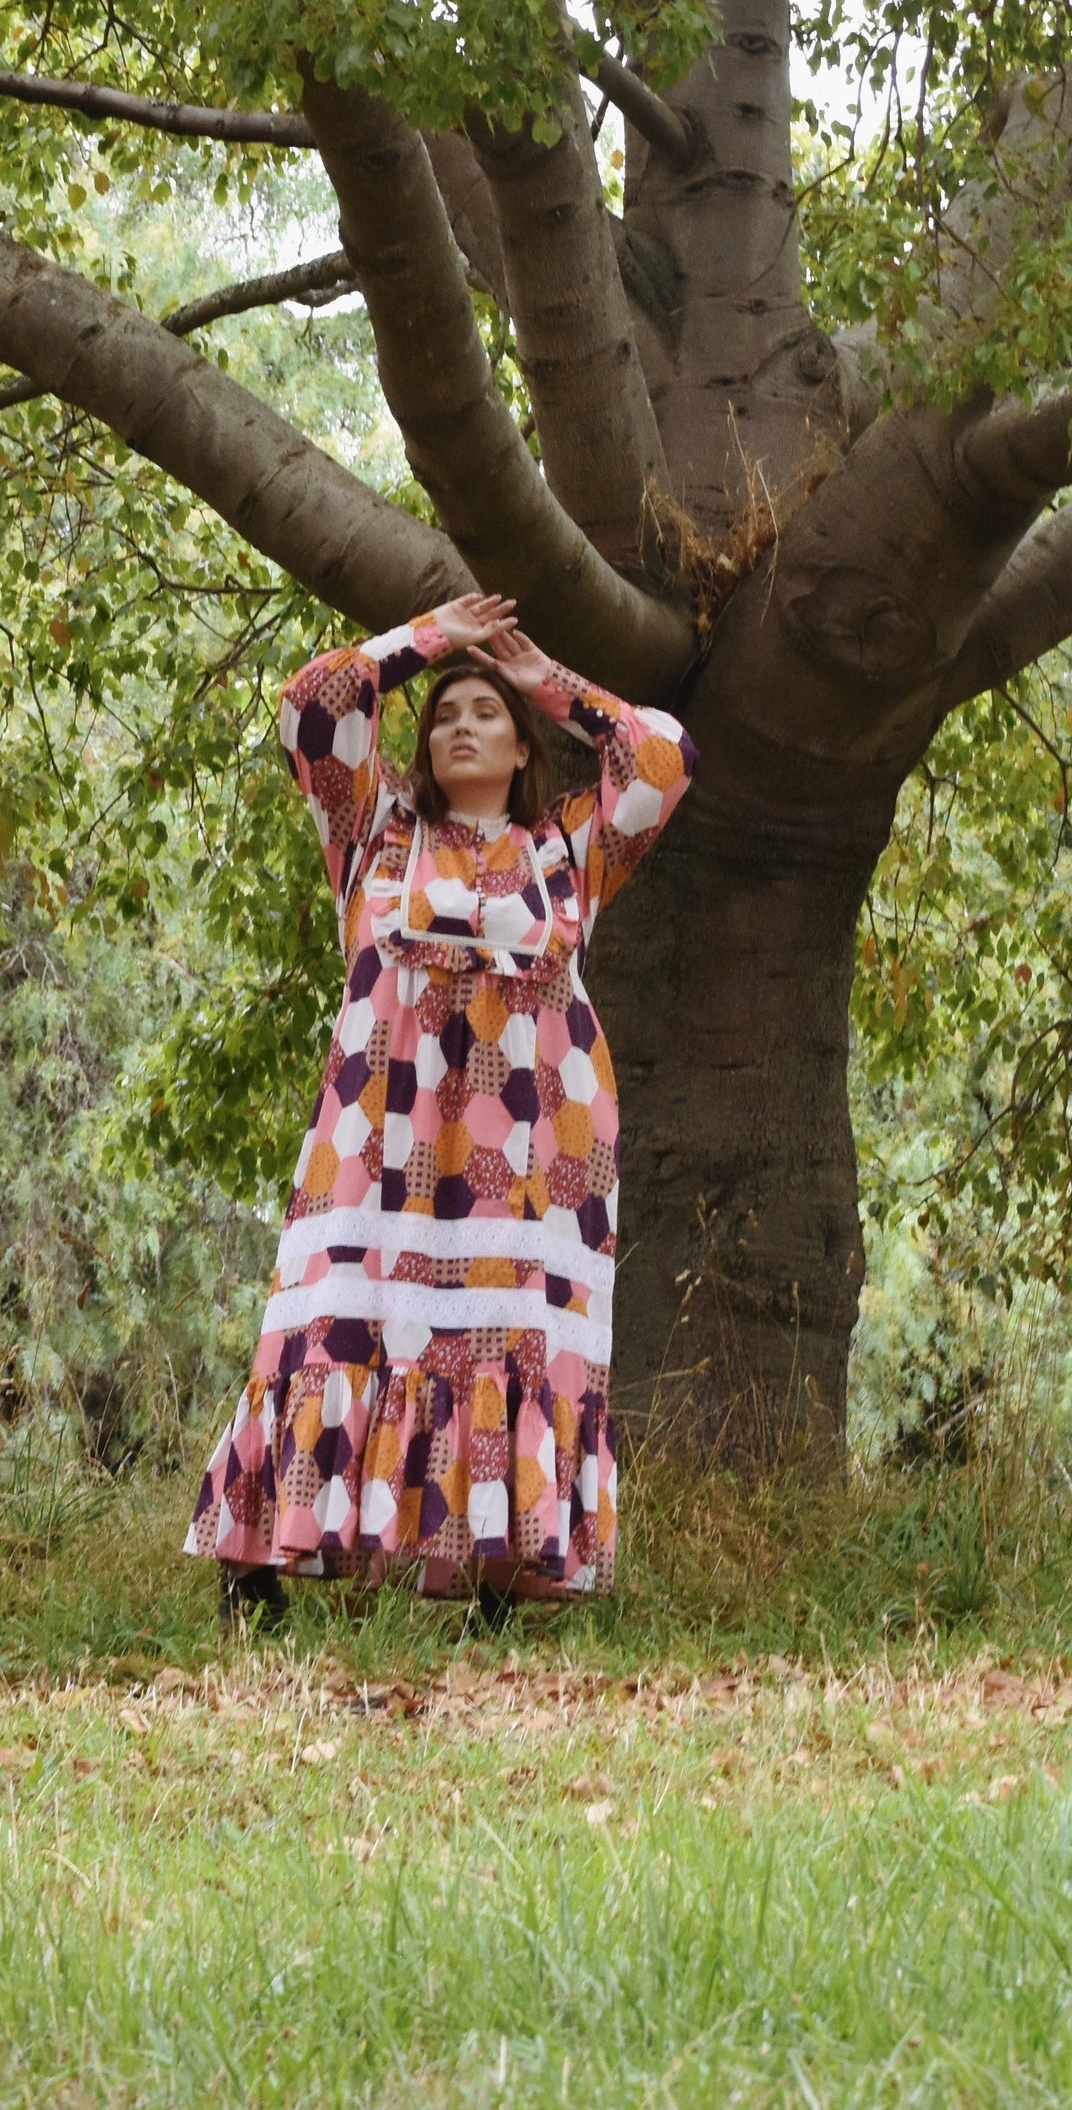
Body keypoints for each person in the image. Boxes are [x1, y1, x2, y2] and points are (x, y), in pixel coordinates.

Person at [184, 593, 695, 1626]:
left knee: (507, 1346)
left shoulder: (569, 853)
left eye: (486, 713)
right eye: (444, 714)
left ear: (521, 747)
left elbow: (662, 758)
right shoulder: (372, 833)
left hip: (535, 1153)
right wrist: (423, 642)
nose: (461, 725)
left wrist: (548, 682)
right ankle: (258, 1565)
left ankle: (497, 1582)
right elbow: (310, 708)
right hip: (378, 1135)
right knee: (339, 1320)